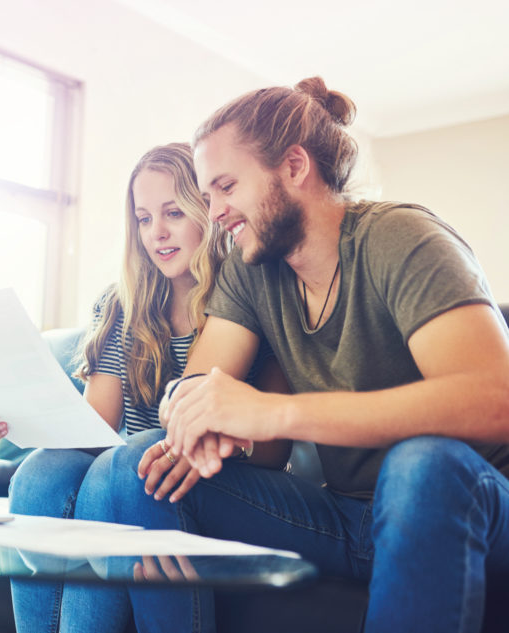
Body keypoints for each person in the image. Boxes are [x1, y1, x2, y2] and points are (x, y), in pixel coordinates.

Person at [66, 76, 509, 633]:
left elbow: (493, 399)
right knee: (142, 465)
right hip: (346, 516)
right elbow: (198, 388)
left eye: (226, 187)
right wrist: (192, 413)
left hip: (470, 505)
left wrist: (270, 412)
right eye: (206, 196)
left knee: (419, 464)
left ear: (294, 167)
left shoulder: (402, 239)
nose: (217, 212)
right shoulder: (253, 273)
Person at [0, 142, 290, 633]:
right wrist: (19, 415)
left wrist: (211, 439)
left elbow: (272, 453)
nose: (156, 232)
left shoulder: (244, 298)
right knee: (39, 473)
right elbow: (98, 426)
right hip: (124, 466)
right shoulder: (123, 304)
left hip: (195, 472)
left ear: (206, 209)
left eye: (173, 213)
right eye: (142, 218)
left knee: (115, 470)